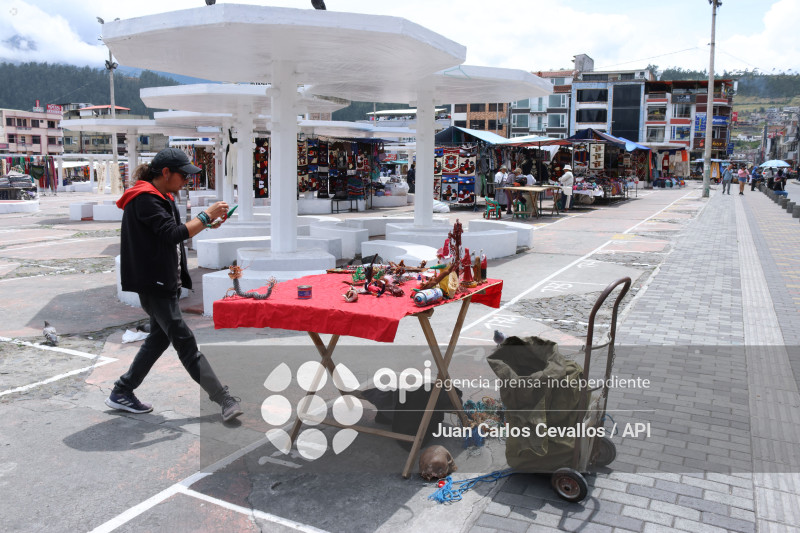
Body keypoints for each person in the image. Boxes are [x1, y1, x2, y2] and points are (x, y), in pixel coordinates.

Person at [106, 148, 243, 422]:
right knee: (185, 343)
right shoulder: (145, 199)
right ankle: (223, 398)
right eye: (183, 176)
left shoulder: (158, 197)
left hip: (160, 281)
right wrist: (205, 216)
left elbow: (173, 232)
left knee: (158, 340)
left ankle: (122, 390)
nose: (186, 181)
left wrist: (207, 224)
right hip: (154, 285)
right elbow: (172, 235)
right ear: (166, 173)